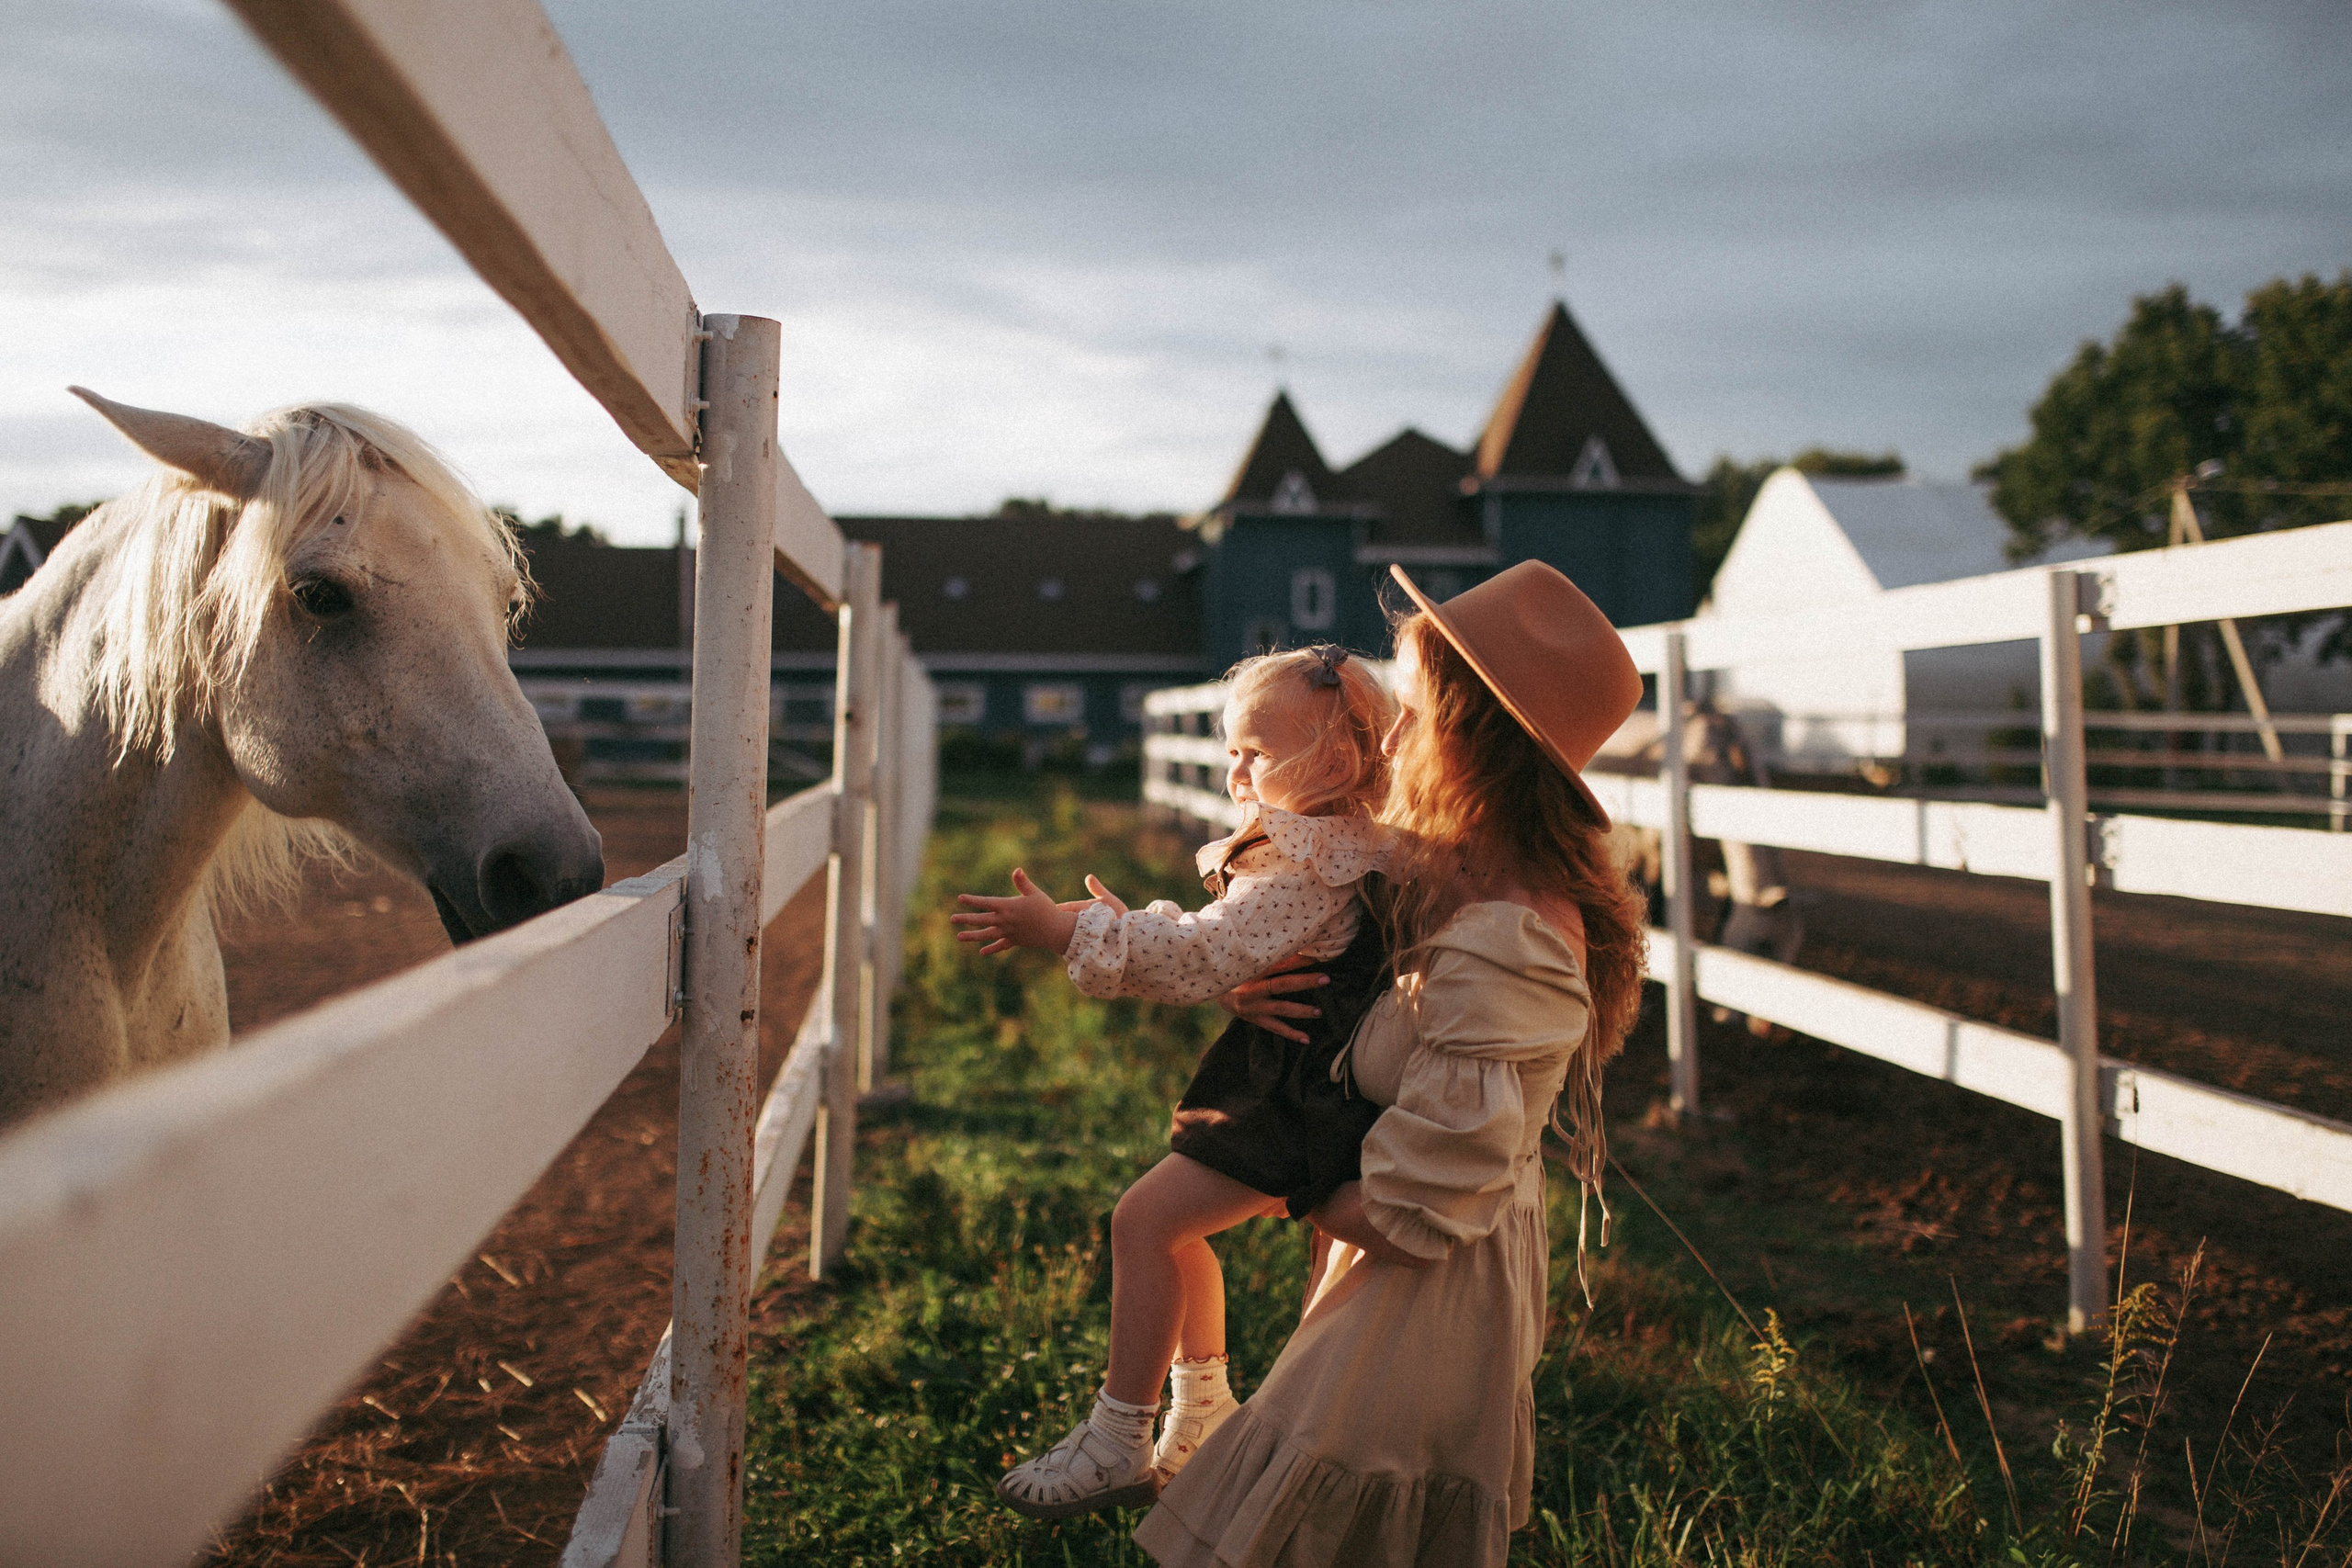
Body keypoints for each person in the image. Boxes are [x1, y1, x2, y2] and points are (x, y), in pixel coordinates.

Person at [1135, 560, 1650, 1568]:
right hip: (1382, 1255)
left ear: (1471, 740)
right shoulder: (1445, 873)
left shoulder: (1513, 934)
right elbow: (1336, 963)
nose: (1390, 736)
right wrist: (1248, 982)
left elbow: (1417, 1206)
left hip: (1427, 1298)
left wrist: (1281, 1178)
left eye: (1414, 712)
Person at [953, 645, 1399, 1519]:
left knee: (1144, 1222)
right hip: (1288, 1084)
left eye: (1257, 752)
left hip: (1294, 1101)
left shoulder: (1308, 860)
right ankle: (1200, 1415)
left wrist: (1069, 932)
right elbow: (1226, 943)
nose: (1236, 771)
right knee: (1174, 1232)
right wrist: (1127, 927)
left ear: (1336, 762)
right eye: (1232, 749)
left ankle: (1118, 1438)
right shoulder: (1334, 849)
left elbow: (1203, 952)